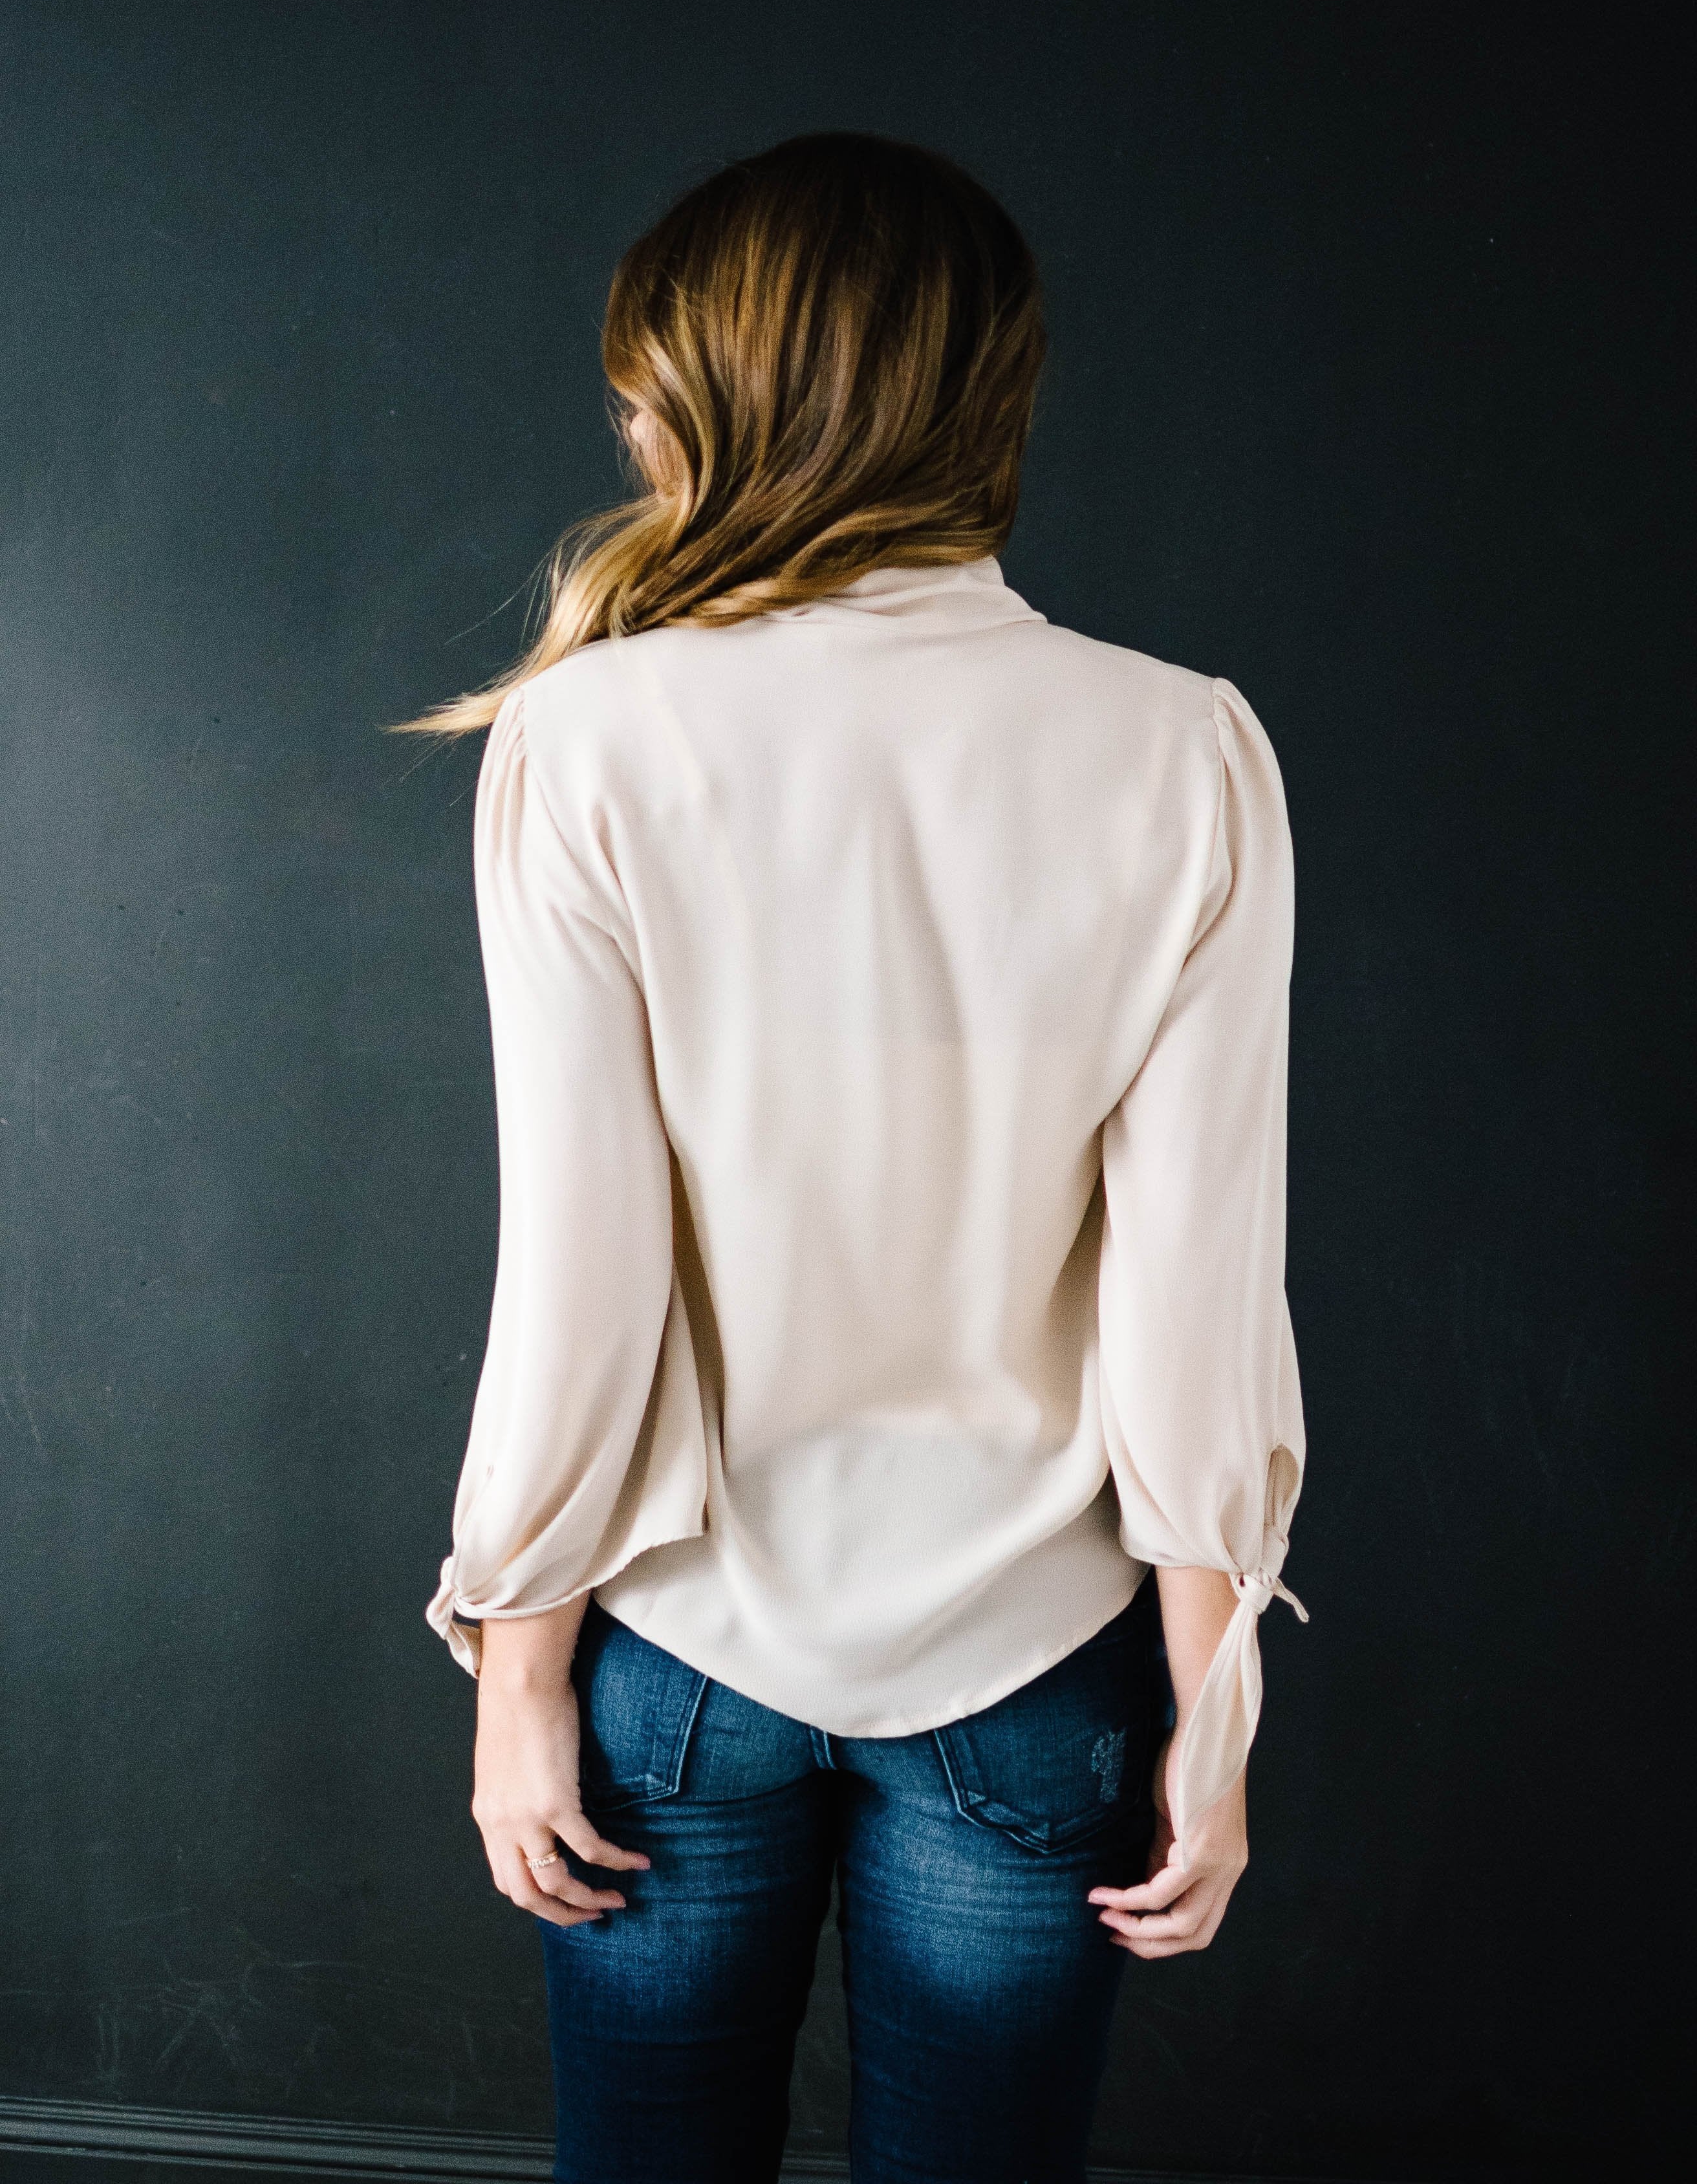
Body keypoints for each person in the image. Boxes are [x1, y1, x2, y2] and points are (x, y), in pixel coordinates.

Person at [395, 131, 1306, 2184]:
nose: (622, 426)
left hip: (677, 1652)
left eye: (647, 381)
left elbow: (582, 1276)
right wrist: (1214, 1699)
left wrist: (511, 1671)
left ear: (722, 404)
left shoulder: (591, 740)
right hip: (1042, 1664)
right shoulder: (1188, 750)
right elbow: (1196, 1294)